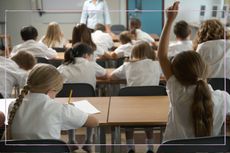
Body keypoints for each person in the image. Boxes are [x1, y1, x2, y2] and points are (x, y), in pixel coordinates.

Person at [157, 2, 230, 142]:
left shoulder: (176, 90)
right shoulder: (222, 98)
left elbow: (161, 56)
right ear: (205, 69)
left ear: (177, 75)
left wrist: (169, 20)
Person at [6, 64, 98, 141]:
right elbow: (94, 122)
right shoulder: (59, 109)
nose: (55, 97)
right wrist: (72, 110)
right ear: (51, 90)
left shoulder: (13, 105)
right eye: (56, 93)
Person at [110, 41, 161, 153]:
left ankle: (130, 148)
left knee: (129, 125)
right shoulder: (157, 64)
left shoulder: (128, 65)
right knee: (149, 123)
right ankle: (150, 148)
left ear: (133, 52)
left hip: (131, 107)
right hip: (153, 108)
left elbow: (112, 76)